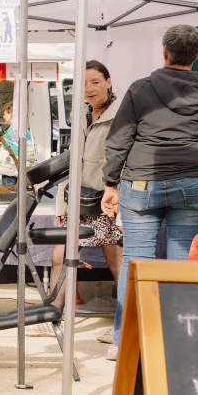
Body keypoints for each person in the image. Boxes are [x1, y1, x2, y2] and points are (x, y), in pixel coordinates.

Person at [102, 24, 198, 355]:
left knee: (136, 260)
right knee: (181, 259)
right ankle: (177, 340)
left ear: (165, 52)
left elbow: (120, 138)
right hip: (194, 180)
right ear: (196, 55)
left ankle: (123, 341)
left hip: (142, 180)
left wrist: (110, 183)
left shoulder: (141, 89)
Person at [49, 61, 125, 331]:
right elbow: (69, 161)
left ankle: (128, 320)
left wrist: (120, 204)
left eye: (94, 82)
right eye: (83, 83)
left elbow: (125, 160)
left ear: (108, 81)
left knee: (117, 262)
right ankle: (52, 313)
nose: (89, 89)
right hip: (77, 199)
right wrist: (61, 202)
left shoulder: (122, 114)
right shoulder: (79, 114)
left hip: (107, 201)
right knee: (60, 256)